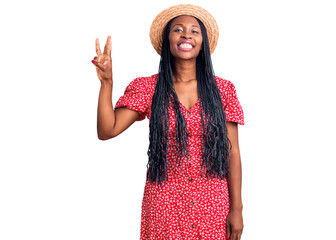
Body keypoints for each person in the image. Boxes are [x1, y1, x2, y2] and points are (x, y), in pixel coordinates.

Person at [92, 4, 244, 240]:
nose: (186, 35)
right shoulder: (148, 88)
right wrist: (106, 83)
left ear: (202, 41)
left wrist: (237, 209)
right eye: (178, 29)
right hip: (165, 203)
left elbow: (232, 152)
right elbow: (107, 129)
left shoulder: (223, 90)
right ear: (167, 40)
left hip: (213, 203)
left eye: (195, 30)